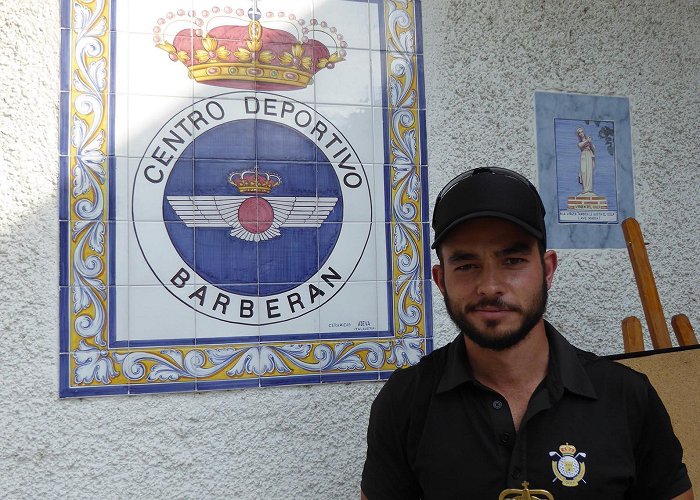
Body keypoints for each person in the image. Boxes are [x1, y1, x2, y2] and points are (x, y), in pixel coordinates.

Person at [360, 167, 693, 499]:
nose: (490, 286)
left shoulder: (626, 397)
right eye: (466, 265)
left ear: (547, 270)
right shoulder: (404, 402)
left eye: (513, 260)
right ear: (441, 280)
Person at [576, 127, 596, 194]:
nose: (581, 133)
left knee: (589, 172)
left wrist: (590, 142)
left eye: (582, 132)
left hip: (589, 156)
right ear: (578, 135)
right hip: (583, 156)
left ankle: (588, 189)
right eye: (579, 133)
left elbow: (593, 149)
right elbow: (580, 145)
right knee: (583, 171)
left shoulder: (588, 141)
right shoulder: (580, 143)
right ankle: (585, 188)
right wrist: (587, 140)